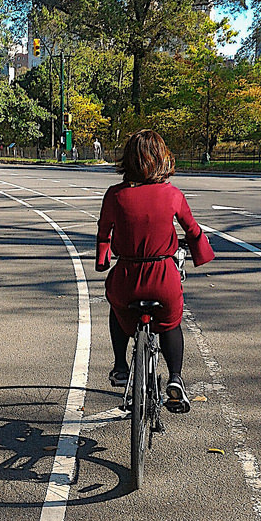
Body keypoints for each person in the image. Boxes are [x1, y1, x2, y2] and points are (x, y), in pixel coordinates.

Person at [95, 129, 214, 413]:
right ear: (162, 159)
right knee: (171, 323)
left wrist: (103, 260)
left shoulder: (114, 195)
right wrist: (202, 255)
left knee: (117, 306)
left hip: (127, 277)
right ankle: (175, 378)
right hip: (163, 277)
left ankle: (121, 366)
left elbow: (103, 234)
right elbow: (193, 230)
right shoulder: (172, 194)